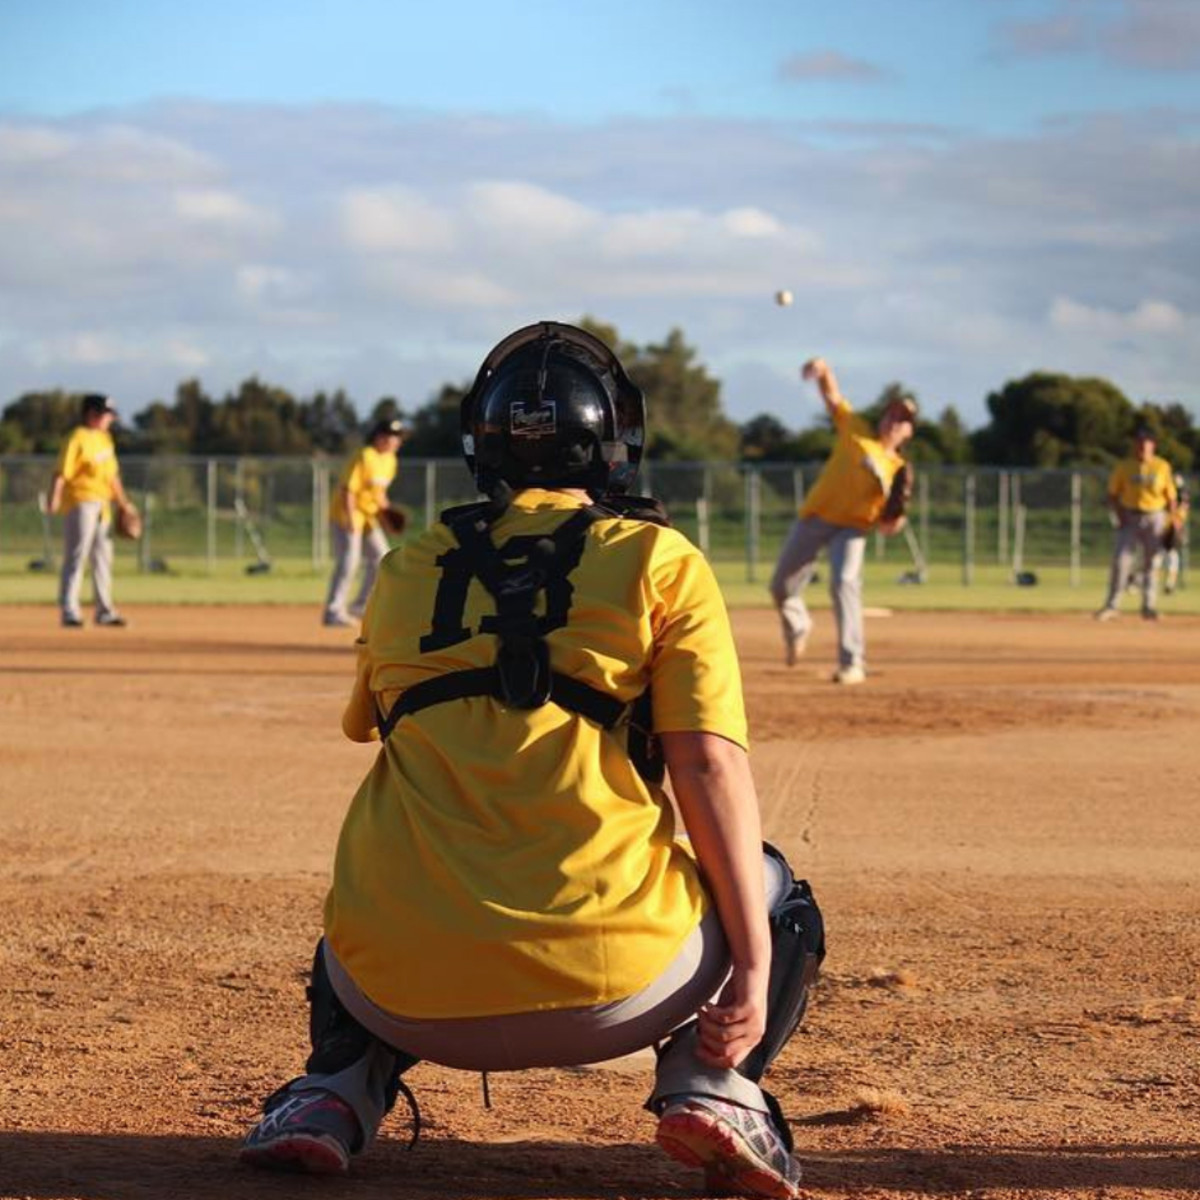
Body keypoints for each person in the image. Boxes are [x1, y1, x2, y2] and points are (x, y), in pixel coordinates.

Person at [240, 322, 825, 1198]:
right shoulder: (659, 558)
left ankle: (334, 1091)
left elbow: (373, 725)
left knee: (377, 878)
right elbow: (707, 767)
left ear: (482, 446)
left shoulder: (407, 567)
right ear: (617, 444)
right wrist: (748, 968)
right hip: (616, 989)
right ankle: (714, 1086)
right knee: (779, 894)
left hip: (399, 991)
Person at [769, 357, 915, 683]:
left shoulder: (898, 471)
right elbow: (832, 396)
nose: (893, 422)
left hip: (853, 528)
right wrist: (823, 370)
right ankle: (799, 624)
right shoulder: (857, 431)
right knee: (781, 588)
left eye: (901, 420)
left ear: (908, 431)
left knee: (844, 583)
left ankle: (852, 662)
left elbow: (891, 524)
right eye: (891, 415)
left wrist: (895, 520)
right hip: (816, 516)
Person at [48, 392, 137, 629]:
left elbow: (112, 477)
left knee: (103, 560)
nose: (109, 419)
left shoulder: (105, 439)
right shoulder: (77, 437)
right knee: (76, 557)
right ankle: (69, 611)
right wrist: (54, 497)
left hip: (103, 506)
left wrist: (124, 503)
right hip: (81, 502)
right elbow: (61, 471)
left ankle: (105, 611)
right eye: (106, 415)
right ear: (92, 414)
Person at [322, 417, 405, 627]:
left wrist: (386, 515)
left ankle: (359, 607)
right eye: (389, 435)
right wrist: (350, 519)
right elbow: (347, 490)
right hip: (347, 514)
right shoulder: (365, 456)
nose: (393, 440)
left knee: (381, 558)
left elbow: (379, 495)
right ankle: (333, 612)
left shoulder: (390, 461)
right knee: (350, 561)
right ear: (378, 437)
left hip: (368, 516)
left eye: (396, 437)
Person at [1095, 425, 1177, 622]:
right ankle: (1112, 606)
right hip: (1129, 516)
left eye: (1145, 443)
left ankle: (1148, 607)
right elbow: (1112, 494)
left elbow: (1171, 497)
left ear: (1153, 445)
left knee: (1152, 563)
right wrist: (1119, 514)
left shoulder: (1162, 466)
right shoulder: (1124, 466)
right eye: (1138, 443)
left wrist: (1173, 521)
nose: (1141, 446)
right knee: (1121, 561)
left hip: (1155, 517)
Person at [1162, 473, 1189, 595]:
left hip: (1169, 531)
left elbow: (1180, 517)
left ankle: (1170, 584)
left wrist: (1179, 529)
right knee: (1155, 558)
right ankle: (1137, 581)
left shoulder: (1179, 506)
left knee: (1172, 558)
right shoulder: (1162, 503)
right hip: (1160, 530)